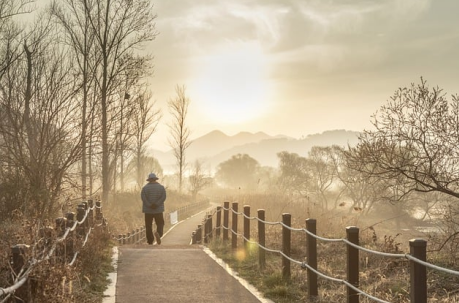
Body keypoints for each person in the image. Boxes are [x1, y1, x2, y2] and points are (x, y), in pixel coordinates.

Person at [141, 173, 166, 245]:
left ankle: (150, 240)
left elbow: (143, 198)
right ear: (155, 179)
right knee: (160, 223)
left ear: (149, 180)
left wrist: (150, 205)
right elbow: (163, 197)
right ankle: (159, 233)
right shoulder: (161, 187)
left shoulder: (145, 188)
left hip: (148, 210)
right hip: (158, 210)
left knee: (148, 225)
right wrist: (157, 204)